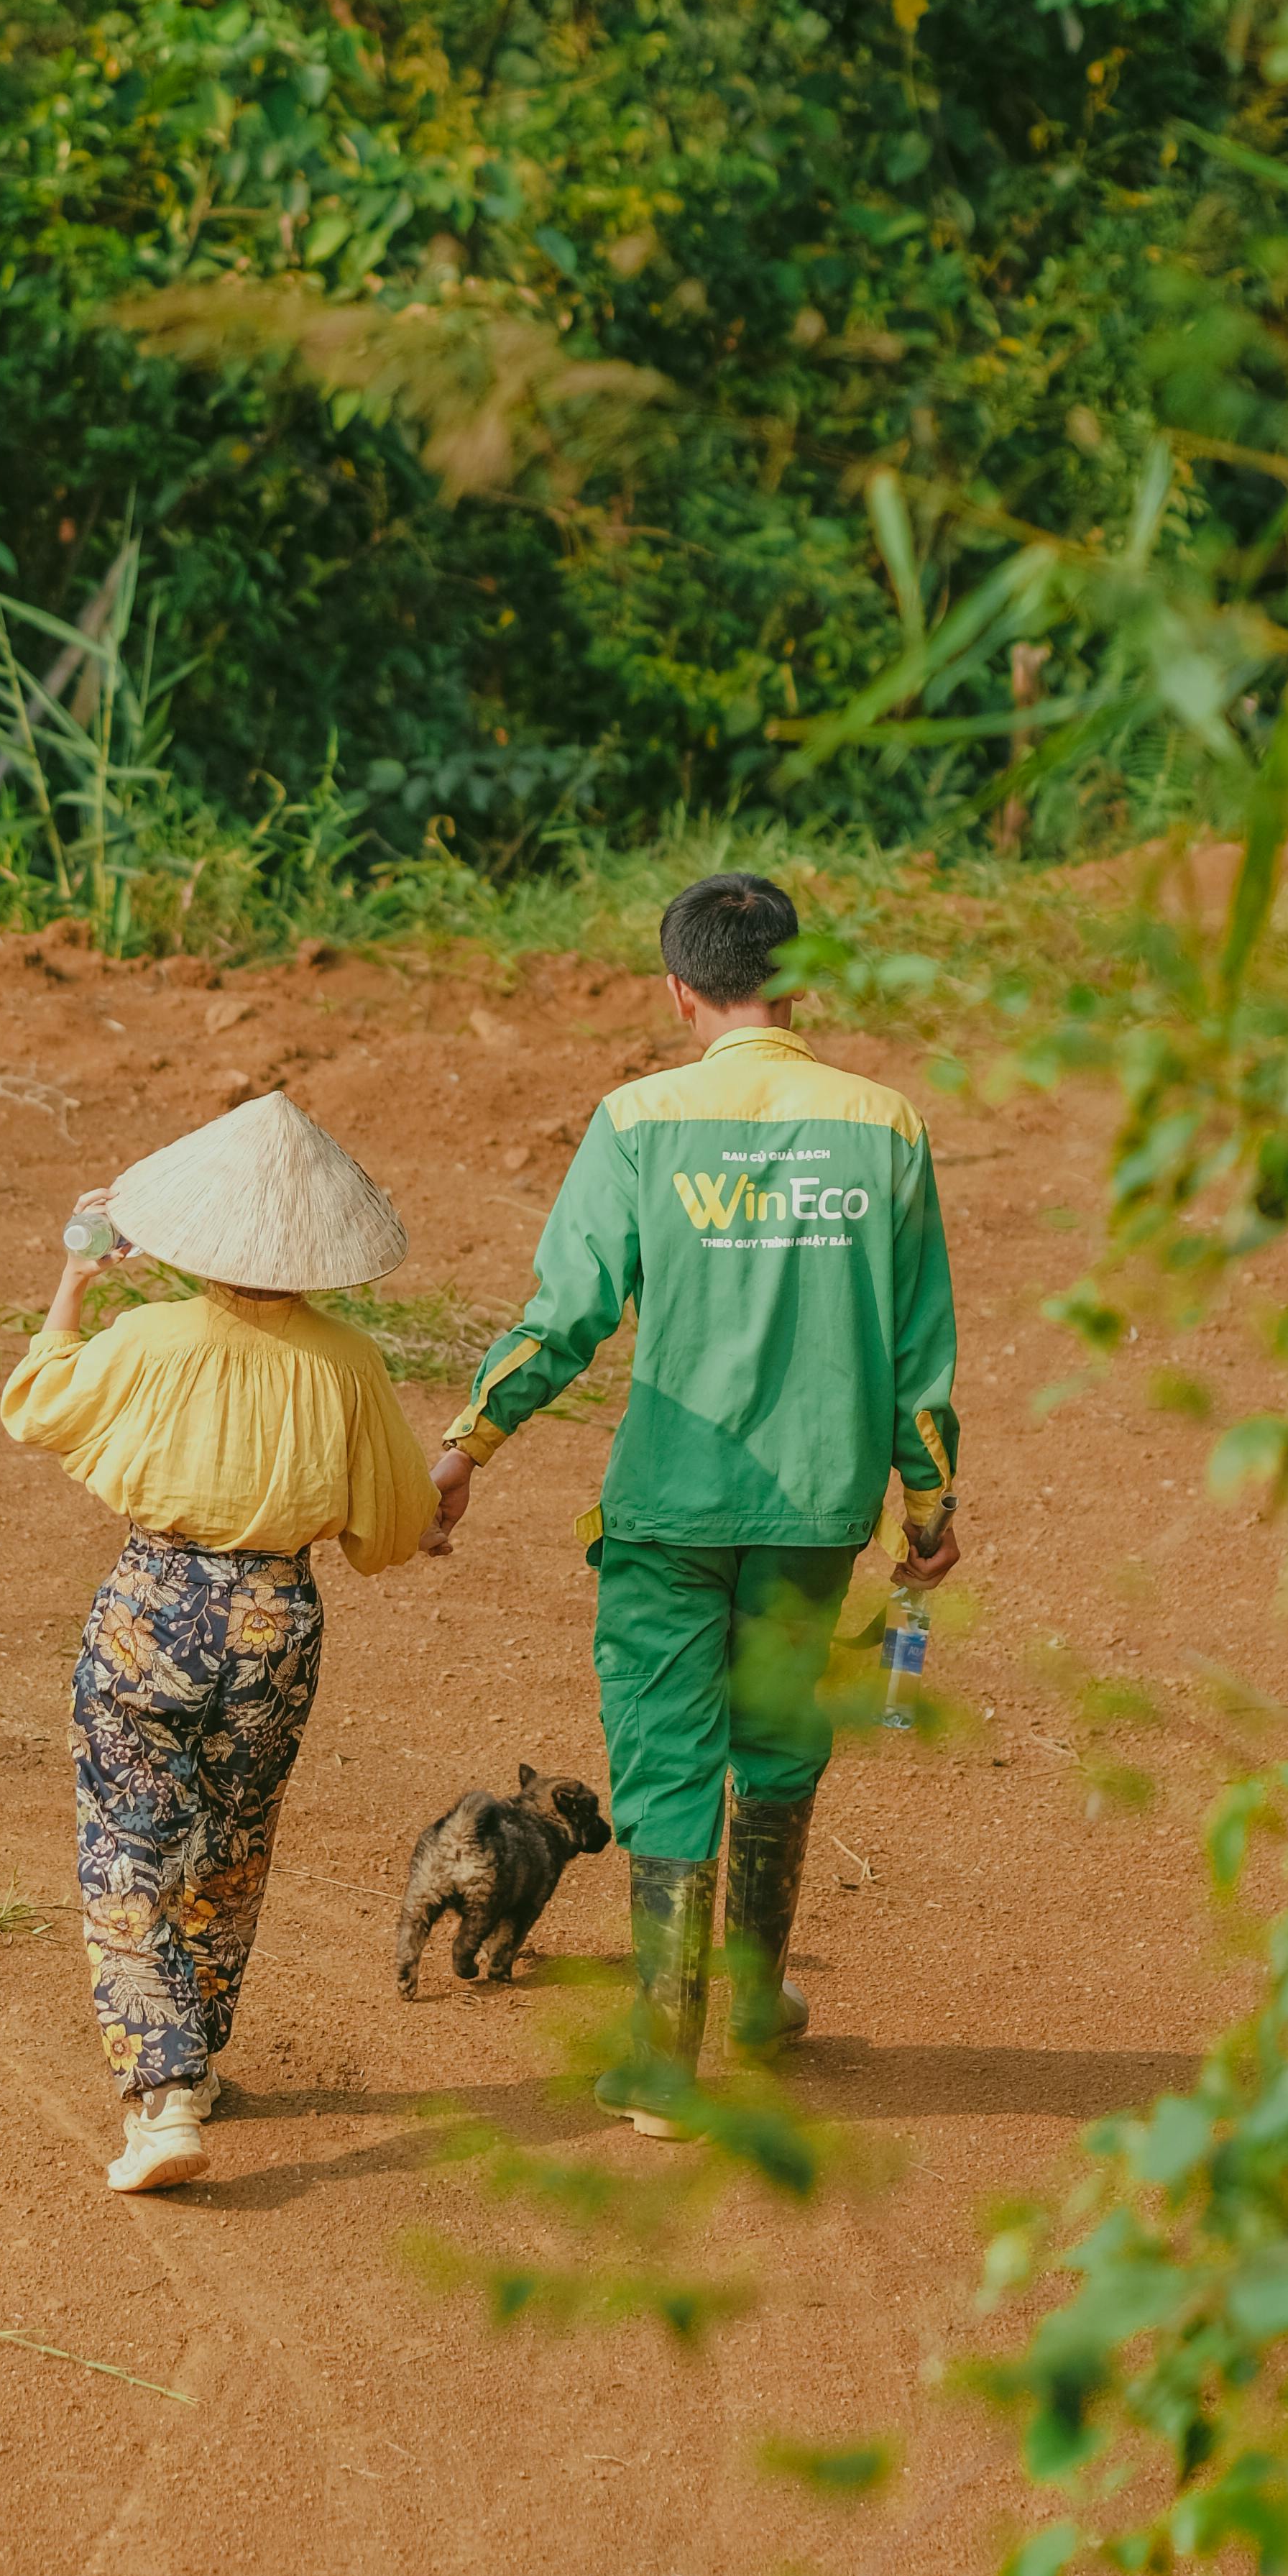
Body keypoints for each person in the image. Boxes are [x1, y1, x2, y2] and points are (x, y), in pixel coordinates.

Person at [429, 871, 962, 2133]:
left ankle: (664, 2063)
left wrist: (468, 1444)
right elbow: (918, 1353)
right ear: (799, 977)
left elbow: (562, 1316)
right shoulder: (884, 1126)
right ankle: (759, 2007)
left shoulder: (634, 1121)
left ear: (680, 991)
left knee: (666, 1763)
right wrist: (927, 1512)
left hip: (668, 1511)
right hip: (820, 1511)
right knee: (777, 1744)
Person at [1, 1091, 444, 2196]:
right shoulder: (348, 1364)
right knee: (233, 1840)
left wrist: (76, 1274)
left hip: (153, 1606)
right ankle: (196, 2062)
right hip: (276, 1627)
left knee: (126, 1840)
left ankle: (161, 2097)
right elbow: (392, 1531)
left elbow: (34, 1405)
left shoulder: (147, 1337)